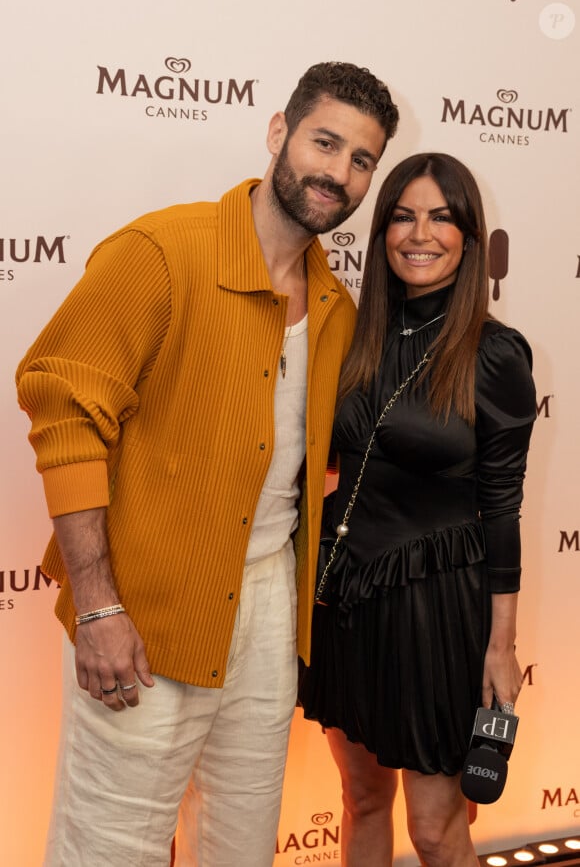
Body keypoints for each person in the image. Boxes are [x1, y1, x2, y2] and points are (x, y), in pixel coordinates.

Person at [15, 62, 399, 867]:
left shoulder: (336, 308)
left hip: (266, 605)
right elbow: (64, 413)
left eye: (361, 159)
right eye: (325, 142)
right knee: (107, 848)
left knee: (242, 843)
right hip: (143, 604)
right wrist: (96, 606)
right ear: (277, 134)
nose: (339, 172)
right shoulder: (162, 251)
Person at [299, 153, 536, 866]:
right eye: (403, 214)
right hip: (346, 595)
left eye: (441, 216)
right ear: (381, 230)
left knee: (435, 830)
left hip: (436, 612)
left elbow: (502, 507)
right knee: (362, 800)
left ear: (468, 235)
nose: (419, 233)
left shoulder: (495, 354)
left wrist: (501, 644)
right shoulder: (352, 336)